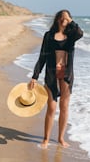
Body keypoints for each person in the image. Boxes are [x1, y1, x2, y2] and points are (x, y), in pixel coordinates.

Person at [28, 9, 83, 148]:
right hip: (52, 74)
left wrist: (71, 21)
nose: (64, 19)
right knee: (52, 107)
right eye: (62, 17)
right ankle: (46, 139)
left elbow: (80, 33)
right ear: (57, 19)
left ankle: (60, 138)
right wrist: (35, 76)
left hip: (66, 74)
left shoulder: (71, 36)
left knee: (64, 107)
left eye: (67, 17)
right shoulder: (49, 35)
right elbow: (42, 56)